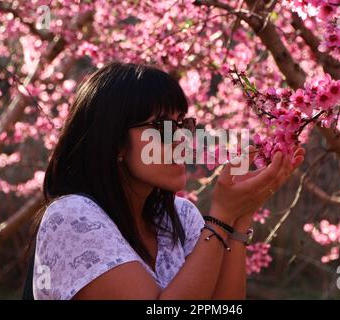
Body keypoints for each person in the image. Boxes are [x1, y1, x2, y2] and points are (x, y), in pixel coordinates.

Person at [28, 62, 305, 300]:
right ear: (115, 143)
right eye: (163, 127)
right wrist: (222, 217)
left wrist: (240, 215)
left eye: (183, 124)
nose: (182, 139)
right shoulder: (71, 217)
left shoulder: (181, 218)